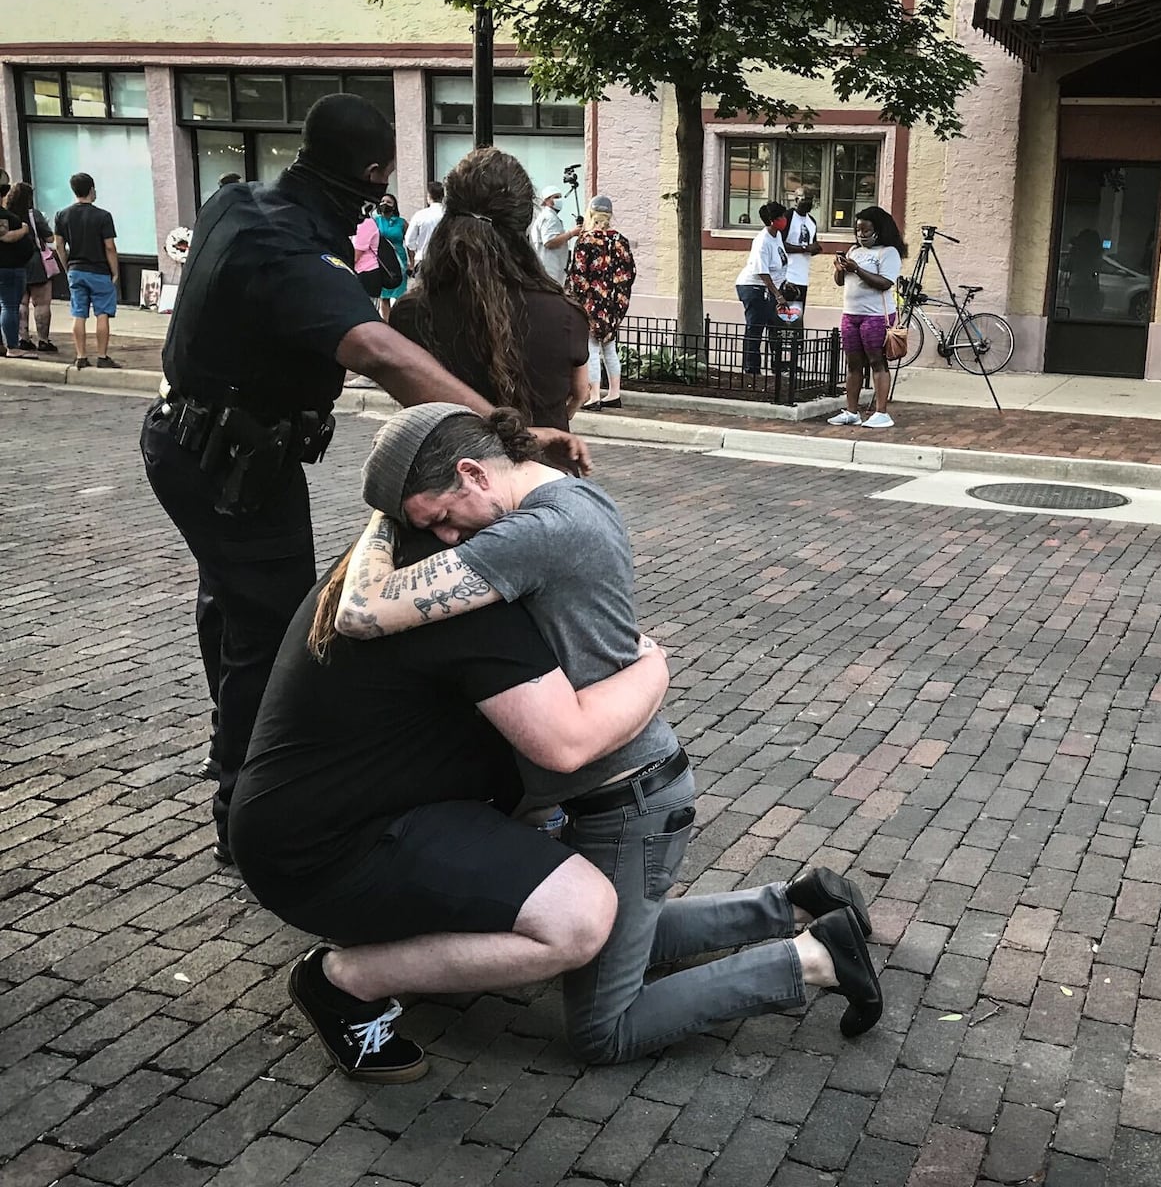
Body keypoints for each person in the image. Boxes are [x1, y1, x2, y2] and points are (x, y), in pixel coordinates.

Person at [332, 405, 884, 1063]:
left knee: (605, 1029)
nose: (448, 540)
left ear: (474, 473)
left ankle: (814, 959)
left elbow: (361, 611)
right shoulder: (572, 495)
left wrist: (381, 522)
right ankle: (794, 904)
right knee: (611, 937)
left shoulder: (532, 534)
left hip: (627, 801)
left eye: (440, 517)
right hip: (636, 784)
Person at [140, 93, 590, 866]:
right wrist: (509, 429)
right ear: (375, 172)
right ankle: (248, 811)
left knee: (233, 609)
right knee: (271, 633)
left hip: (197, 446)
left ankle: (240, 779)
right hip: (232, 462)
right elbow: (379, 353)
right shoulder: (294, 248)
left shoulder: (239, 204)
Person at [231, 511, 671, 1081]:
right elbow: (568, 745)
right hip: (327, 853)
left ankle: (781, 909)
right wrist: (654, 667)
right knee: (579, 918)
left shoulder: (398, 565)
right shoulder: (461, 601)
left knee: (546, 831)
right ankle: (341, 981)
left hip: (331, 821)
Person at [388, 148, 589, 430]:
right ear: (525, 220)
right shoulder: (565, 315)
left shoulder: (410, 315)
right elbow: (579, 396)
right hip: (543, 468)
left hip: (445, 467)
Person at [826, 206, 907, 431]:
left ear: (878, 230)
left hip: (876, 316)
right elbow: (840, 282)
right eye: (858, 230)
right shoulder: (854, 250)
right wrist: (840, 268)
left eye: (866, 230)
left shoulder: (888, 252)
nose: (861, 235)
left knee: (876, 361)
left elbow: (885, 283)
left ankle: (881, 412)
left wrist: (858, 269)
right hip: (851, 314)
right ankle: (852, 411)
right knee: (853, 364)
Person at [567, 194, 636, 410]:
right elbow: (630, 272)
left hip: (592, 302)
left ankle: (594, 394)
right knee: (610, 348)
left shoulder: (585, 240)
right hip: (614, 304)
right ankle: (614, 393)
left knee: (591, 348)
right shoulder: (620, 240)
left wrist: (581, 297)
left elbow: (578, 275)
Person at [52, 172, 120, 370]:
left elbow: (59, 245)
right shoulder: (103, 216)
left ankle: (81, 355)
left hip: (75, 269)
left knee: (78, 313)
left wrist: (67, 267)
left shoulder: (62, 215)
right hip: (99, 270)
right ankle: (102, 355)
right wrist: (114, 271)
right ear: (92, 189)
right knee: (102, 314)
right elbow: (109, 247)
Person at [734, 201, 790, 380]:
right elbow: (762, 271)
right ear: (773, 221)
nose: (784, 220)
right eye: (781, 217)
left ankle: (777, 366)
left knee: (774, 326)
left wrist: (784, 283)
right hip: (754, 287)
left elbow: (778, 264)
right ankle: (751, 370)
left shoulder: (777, 236)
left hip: (770, 288)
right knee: (755, 327)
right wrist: (778, 294)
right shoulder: (762, 241)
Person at [5, 184, 60, 354]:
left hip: (13, 261)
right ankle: (43, 340)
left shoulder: (7, 215)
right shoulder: (34, 215)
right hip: (35, 260)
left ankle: (23, 339)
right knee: (41, 302)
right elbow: (50, 237)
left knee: (21, 302)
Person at [0, 191, 36, 360]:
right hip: (10, 267)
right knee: (10, 307)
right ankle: (12, 347)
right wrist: (23, 230)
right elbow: (6, 237)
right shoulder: (9, 218)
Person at [532, 185, 581, 286]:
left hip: (550, 269)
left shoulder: (548, 216)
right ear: (546, 200)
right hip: (550, 269)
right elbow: (549, 242)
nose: (559, 200)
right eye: (556, 197)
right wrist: (571, 233)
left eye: (560, 197)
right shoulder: (549, 218)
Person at [783, 195, 823, 309]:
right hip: (787, 275)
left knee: (796, 317)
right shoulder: (788, 216)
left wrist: (816, 249)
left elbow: (812, 246)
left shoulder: (812, 221)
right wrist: (804, 249)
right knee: (783, 316)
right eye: (805, 199)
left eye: (811, 199)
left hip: (802, 276)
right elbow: (779, 244)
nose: (809, 203)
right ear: (796, 200)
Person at [373, 193, 408, 321]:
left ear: (394, 206)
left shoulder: (402, 223)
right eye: (382, 201)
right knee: (384, 295)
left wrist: (411, 262)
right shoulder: (375, 221)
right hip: (382, 259)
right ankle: (387, 322)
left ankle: (400, 320)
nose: (385, 204)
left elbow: (409, 243)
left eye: (389, 202)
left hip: (399, 259)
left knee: (400, 293)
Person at [403, 180, 445, 268]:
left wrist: (418, 248)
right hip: (445, 259)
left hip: (423, 258)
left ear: (429, 196)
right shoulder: (450, 215)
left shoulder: (420, 215)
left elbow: (409, 240)